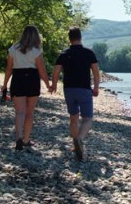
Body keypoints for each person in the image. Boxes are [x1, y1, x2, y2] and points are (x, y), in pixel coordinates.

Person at [51, 26, 100, 161]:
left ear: (69, 38)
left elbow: (55, 73)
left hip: (69, 90)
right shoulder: (89, 53)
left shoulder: (64, 54)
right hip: (84, 89)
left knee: (73, 117)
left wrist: (54, 85)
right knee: (87, 119)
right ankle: (79, 139)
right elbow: (96, 73)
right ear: (80, 37)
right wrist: (96, 87)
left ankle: (75, 143)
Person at [2, 25, 51, 150]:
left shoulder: (13, 49)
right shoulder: (36, 51)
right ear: (36, 36)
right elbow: (42, 71)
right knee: (29, 112)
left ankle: (18, 136)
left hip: (18, 78)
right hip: (32, 79)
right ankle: (26, 139)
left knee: (20, 112)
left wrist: (5, 84)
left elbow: (8, 69)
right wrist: (48, 85)